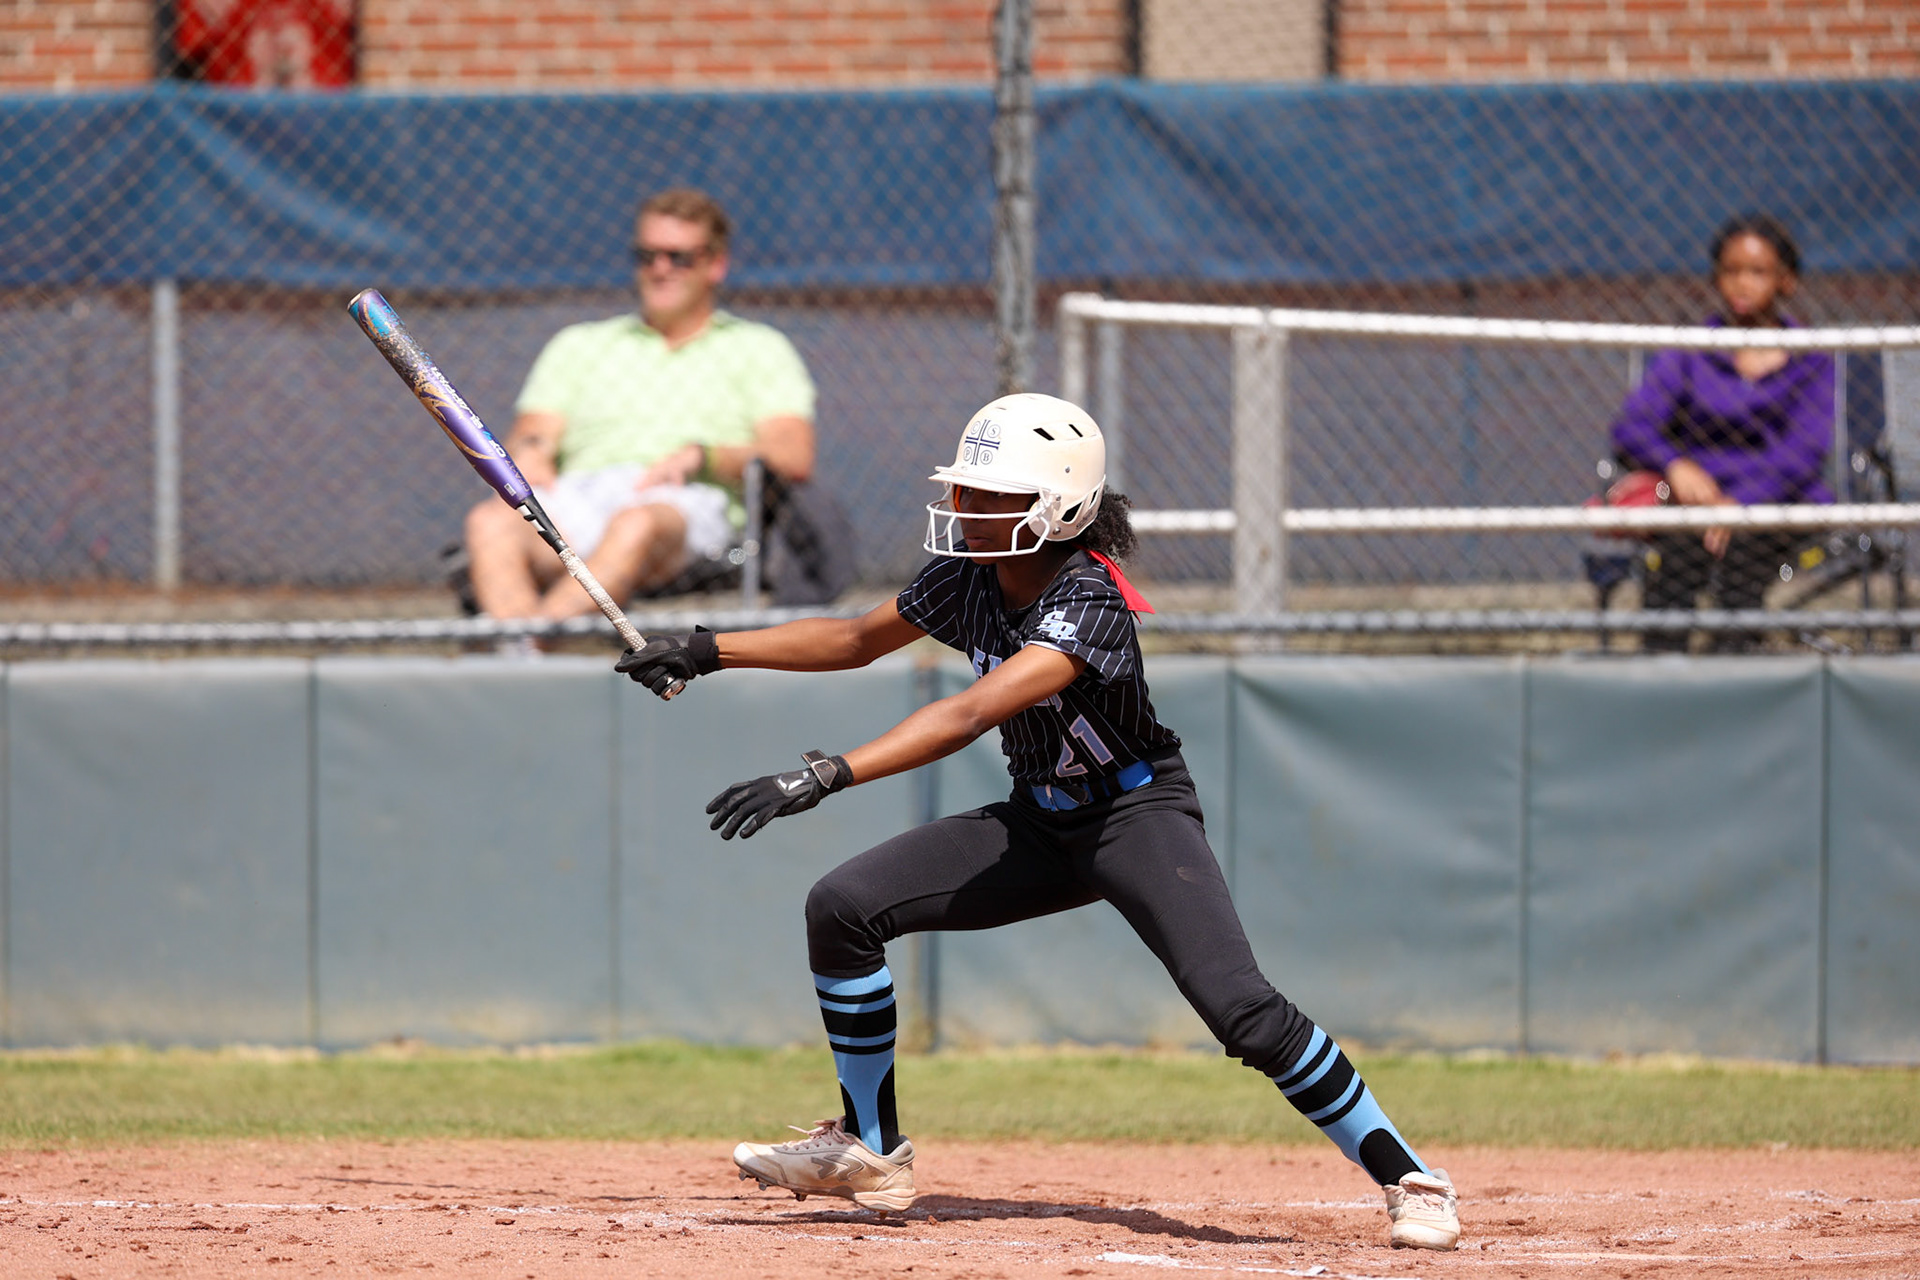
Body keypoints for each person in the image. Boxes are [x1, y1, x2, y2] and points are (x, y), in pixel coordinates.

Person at [614, 393, 1462, 1251]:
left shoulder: (1088, 596)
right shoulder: (967, 576)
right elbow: (853, 638)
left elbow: (971, 712)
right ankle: (871, 1147)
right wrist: (708, 649)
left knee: (1239, 1011)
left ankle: (1409, 1178)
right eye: (966, 489)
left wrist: (827, 773)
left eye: (990, 494)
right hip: (1040, 821)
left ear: (1058, 507)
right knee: (842, 907)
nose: (964, 507)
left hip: (1133, 814)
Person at [464, 188, 816, 623]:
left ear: (715, 264)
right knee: (489, 521)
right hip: (581, 497)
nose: (660, 270)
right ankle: (527, 660)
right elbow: (534, 432)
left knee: (635, 523)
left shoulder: (760, 348)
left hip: (686, 508)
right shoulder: (579, 344)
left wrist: (705, 456)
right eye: (647, 256)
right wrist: (531, 453)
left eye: (678, 257)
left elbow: (793, 455)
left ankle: (526, 643)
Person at [1609, 213, 1835, 652]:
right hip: (1696, 505)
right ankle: (1662, 671)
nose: (1741, 284)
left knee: (1743, 554)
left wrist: (1741, 504)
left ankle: (1734, 662)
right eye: (1730, 271)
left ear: (1786, 281)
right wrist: (1676, 466)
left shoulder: (1810, 357)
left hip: (1775, 505)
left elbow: (1803, 453)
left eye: (1757, 272)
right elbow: (1632, 426)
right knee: (1678, 556)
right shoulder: (1692, 349)